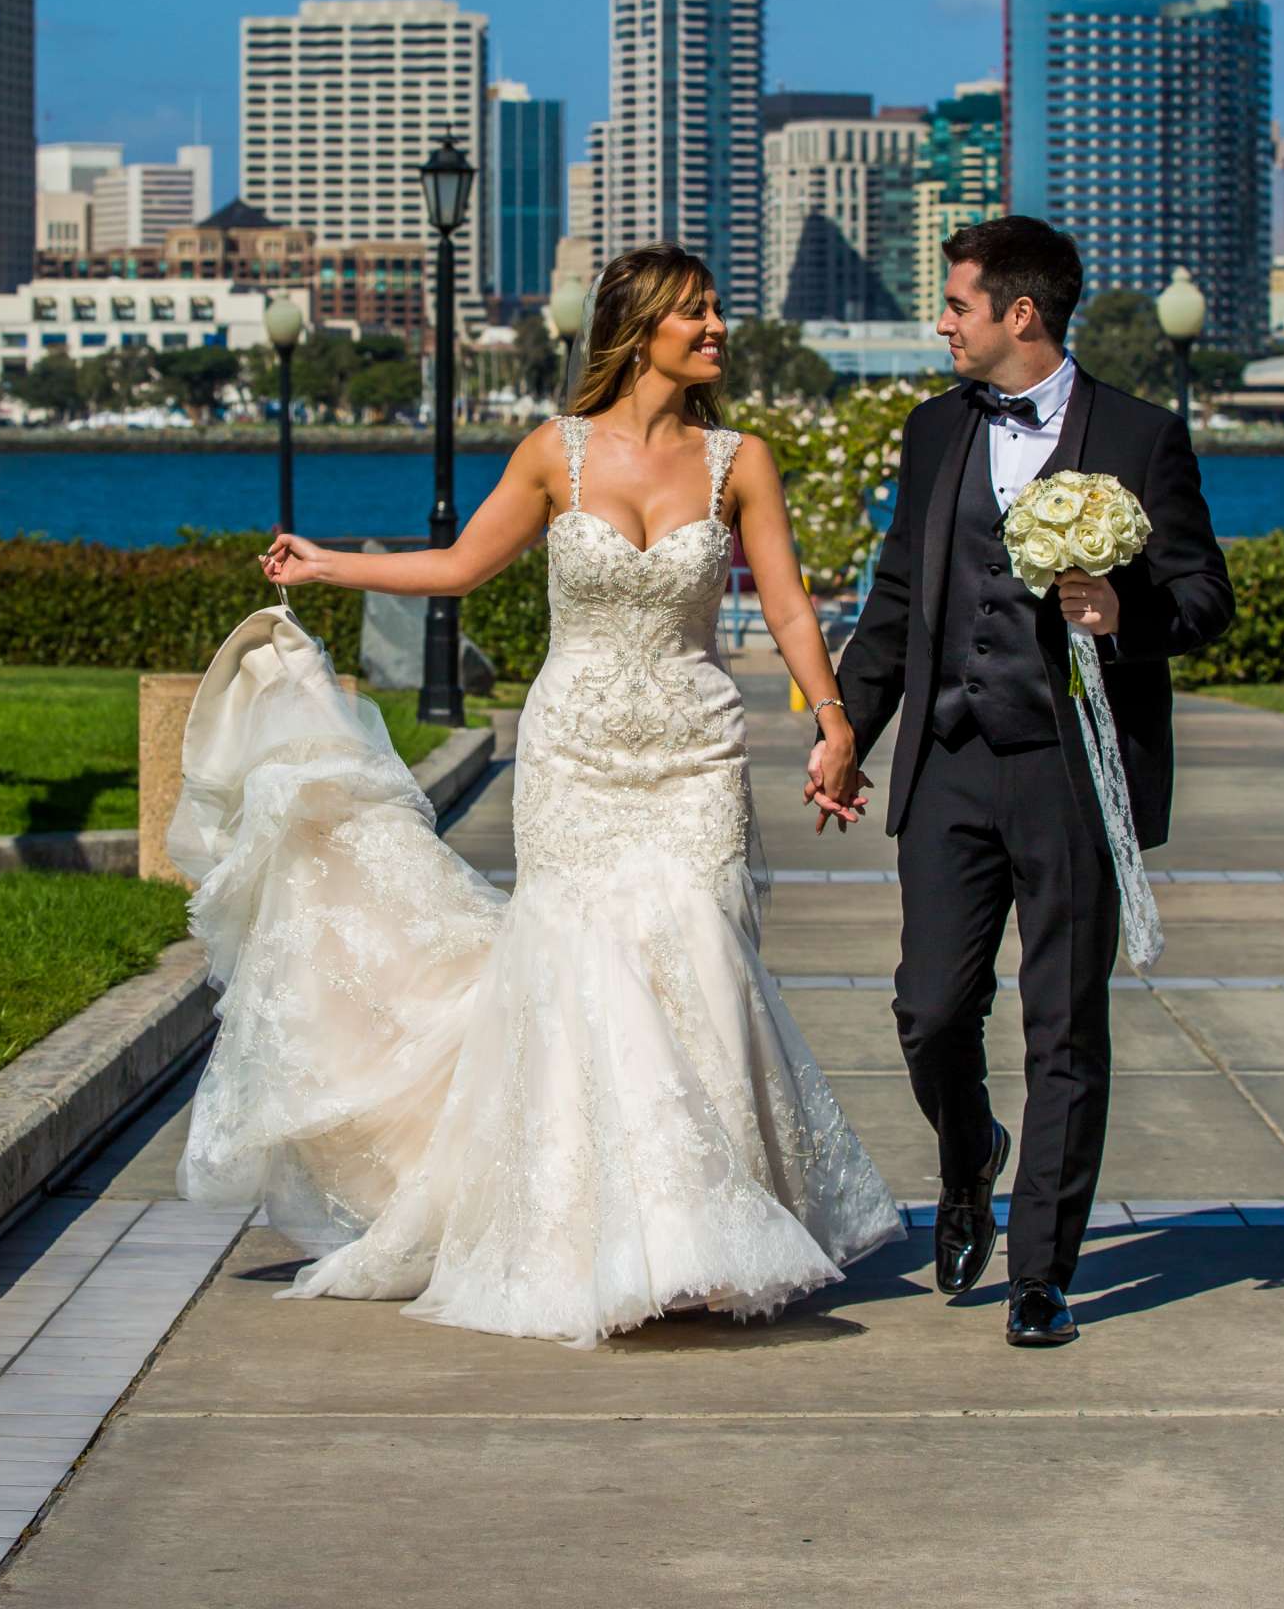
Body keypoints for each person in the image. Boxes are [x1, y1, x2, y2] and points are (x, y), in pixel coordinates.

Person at [178, 242, 899, 1348]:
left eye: (715, 313)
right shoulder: (552, 455)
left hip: (695, 754)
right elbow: (461, 568)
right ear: (639, 326)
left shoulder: (737, 459)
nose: (715, 330)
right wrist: (329, 566)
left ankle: (706, 1233)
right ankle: (601, 1235)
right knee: (586, 979)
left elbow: (792, 608)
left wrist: (831, 716)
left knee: (699, 961)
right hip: (574, 759)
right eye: (695, 315)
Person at [813, 217, 1233, 1348]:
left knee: (1064, 1027)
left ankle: (1044, 1272)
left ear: (1019, 315)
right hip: (949, 762)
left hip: (1073, 772)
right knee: (929, 1009)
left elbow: (1204, 597)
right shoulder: (931, 430)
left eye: (955, 305)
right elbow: (897, 597)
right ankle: (967, 1154)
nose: (940, 323)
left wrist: (1123, 611)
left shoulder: (1143, 437)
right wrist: (846, 728)